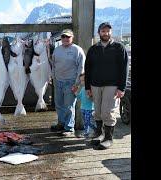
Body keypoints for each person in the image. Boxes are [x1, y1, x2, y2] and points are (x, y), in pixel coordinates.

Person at [85, 22, 129, 150]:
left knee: (107, 112)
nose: (106, 33)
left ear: (111, 32)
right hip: (95, 85)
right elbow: (88, 69)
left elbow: (124, 69)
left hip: (112, 86)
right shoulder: (93, 49)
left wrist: (122, 88)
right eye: (103, 31)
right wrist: (87, 87)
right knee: (97, 111)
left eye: (108, 31)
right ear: (99, 33)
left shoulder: (119, 48)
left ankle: (109, 138)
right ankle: (99, 134)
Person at [51, 29, 86, 136]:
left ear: (72, 38)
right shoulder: (57, 50)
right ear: (61, 38)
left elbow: (82, 68)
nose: (66, 39)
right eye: (63, 37)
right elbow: (53, 65)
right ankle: (61, 123)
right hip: (58, 81)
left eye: (68, 37)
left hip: (71, 82)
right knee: (59, 104)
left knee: (69, 106)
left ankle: (69, 128)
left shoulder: (77, 50)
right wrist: (53, 78)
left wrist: (77, 84)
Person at [74, 73, 96, 138]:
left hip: (89, 108)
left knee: (88, 121)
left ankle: (95, 129)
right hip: (83, 108)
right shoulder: (83, 88)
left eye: (83, 80)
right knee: (85, 121)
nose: (82, 82)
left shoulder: (91, 89)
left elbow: (94, 99)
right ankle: (87, 132)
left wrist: (90, 96)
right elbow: (79, 97)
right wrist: (75, 92)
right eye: (81, 81)